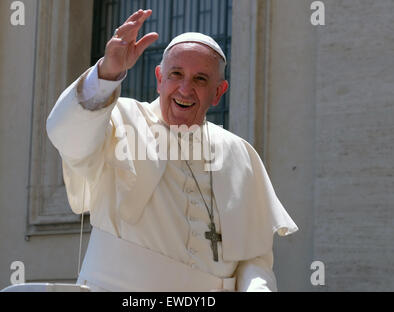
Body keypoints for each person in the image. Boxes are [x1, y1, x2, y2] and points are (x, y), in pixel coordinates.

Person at [46, 9, 298, 292]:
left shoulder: (240, 154)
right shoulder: (120, 119)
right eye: (176, 74)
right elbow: (65, 134)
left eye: (201, 79)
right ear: (159, 78)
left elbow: (255, 259)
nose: (185, 89)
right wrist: (108, 72)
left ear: (218, 92)